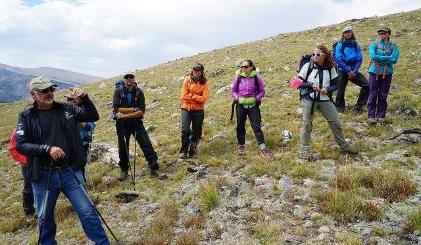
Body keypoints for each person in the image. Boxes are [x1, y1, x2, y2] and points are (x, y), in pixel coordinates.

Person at [15, 76, 109, 244]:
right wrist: (46, 149)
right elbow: (21, 145)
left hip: (70, 171)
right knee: (45, 218)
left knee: (87, 211)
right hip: (42, 175)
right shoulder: (26, 116)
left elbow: (93, 116)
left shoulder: (66, 109)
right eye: (44, 91)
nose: (49, 93)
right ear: (33, 94)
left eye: (51, 89)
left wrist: (85, 98)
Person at [297, 45, 358, 160]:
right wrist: (310, 85)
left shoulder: (330, 67)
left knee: (335, 122)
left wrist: (328, 89)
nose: (314, 56)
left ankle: (344, 146)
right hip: (309, 99)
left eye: (318, 54)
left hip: (325, 99)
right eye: (313, 54)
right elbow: (297, 83)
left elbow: (336, 84)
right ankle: (304, 150)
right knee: (307, 124)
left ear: (324, 56)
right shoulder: (307, 66)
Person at [113, 73, 161, 180]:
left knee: (146, 143)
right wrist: (134, 109)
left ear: (134, 79)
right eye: (127, 77)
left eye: (131, 77)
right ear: (124, 79)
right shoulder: (118, 91)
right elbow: (117, 109)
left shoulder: (139, 92)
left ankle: (154, 168)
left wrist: (126, 114)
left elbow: (142, 111)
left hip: (136, 123)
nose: (129, 79)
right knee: (123, 147)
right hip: (122, 124)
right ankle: (124, 170)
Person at [231, 60, 273, 157]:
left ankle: (263, 147)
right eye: (242, 67)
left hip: (253, 106)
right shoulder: (238, 77)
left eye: (245, 66)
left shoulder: (256, 77)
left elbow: (262, 91)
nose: (243, 68)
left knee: (256, 126)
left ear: (251, 67)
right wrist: (237, 98)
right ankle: (241, 145)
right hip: (240, 105)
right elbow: (233, 91)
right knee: (240, 125)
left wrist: (255, 98)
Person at [367, 26, 400, 125]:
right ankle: (371, 116)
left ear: (388, 34)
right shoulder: (374, 44)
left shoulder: (394, 46)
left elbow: (394, 59)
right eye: (380, 33)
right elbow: (373, 56)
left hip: (387, 73)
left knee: (383, 95)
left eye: (384, 33)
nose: (382, 35)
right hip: (374, 72)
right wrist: (387, 58)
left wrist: (379, 58)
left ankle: (381, 116)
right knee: (372, 94)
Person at [334, 26, 369, 114]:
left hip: (353, 70)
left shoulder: (355, 44)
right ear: (343, 34)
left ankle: (359, 106)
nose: (347, 34)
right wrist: (348, 70)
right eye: (345, 32)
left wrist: (354, 70)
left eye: (349, 32)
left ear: (352, 33)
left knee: (367, 85)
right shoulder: (340, 44)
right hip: (343, 69)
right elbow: (338, 59)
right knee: (340, 89)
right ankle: (339, 107)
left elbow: (359, 58)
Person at [179, 63, 209, 158]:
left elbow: (203, 99)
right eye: (195, 70)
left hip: (198, 110)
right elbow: (183, 96)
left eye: (198, 70)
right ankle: (183, 151)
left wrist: (192, 95)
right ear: (192, 70)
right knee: (186, 130)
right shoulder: (186, 80)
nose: (196, 72)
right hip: (186, 108)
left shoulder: (205, 83)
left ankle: (193, 149)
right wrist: (197, 98)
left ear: (201, 71)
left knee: (197, 131)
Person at [66, 93, 95, 181]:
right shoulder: (65, 113)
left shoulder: (82, 111)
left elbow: (91, 126)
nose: (69, 101)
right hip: (69, 144)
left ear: (76, 101)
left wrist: (79, 121)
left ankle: (82, 183)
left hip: (83, 143)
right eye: (68, 99)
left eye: (71, 99)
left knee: (80, 165)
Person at [9, 127, 35, 222]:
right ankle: (29, 212)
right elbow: (13, 148)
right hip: (27, 164)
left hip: (39, 162)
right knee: (28, 187)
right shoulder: (19, 129)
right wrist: (25, 160)